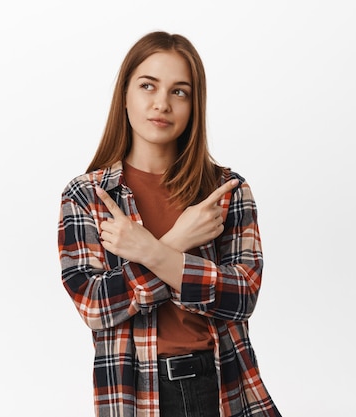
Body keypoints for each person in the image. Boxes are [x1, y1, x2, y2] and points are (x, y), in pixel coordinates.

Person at [57, 31, 281, 417]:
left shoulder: (226, 192)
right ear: (124, 94)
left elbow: (242, 296)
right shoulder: (87, 196)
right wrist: (175, 242)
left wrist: (150, 250)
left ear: (195, 105)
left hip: (221, 386)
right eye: (148, 86)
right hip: (135, 393)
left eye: (179, 92)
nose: (161, 103)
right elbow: (95, 306)